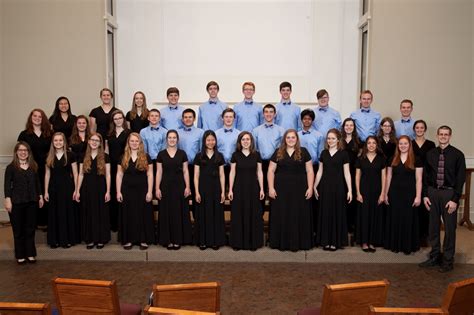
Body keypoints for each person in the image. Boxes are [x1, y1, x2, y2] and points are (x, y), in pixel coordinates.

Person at [419, 126, 466, 273]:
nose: (443, 136)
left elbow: (460, 179)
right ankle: (434, 256)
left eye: (446, 134)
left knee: (450, 229)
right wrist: (426, 195)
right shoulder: (430, 154)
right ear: (437, 135)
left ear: (450, 136)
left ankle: (447, 260)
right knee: (433, 227)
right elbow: (425, 177)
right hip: (433, 192)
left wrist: (455, 199)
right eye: (441, 134)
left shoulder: (458, 155)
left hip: (449, 194)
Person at [268, 129, 314, 251]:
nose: (290, 140)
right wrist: (271, 188)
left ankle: (299, 243)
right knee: (283, 213)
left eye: (293, 137)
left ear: (297, 139)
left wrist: (310, 187)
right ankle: (282, 242)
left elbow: (309, 170)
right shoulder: (278, 152)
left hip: (300, 189)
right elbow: (271, 171)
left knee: (298, 214)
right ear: (284, 139)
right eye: (288, 137)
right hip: (281, 189)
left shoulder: (304, 152)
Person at [4, 142, 44, 264]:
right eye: (20, 150)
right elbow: (7, 186)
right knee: (18, 230)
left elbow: (37, 183)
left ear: (28, 152)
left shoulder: (33, 166)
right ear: (16, 152)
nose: (23, 152)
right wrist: (8, 200)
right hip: (16, 202)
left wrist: (40, 197)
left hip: (32, 201)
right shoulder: (11, 167)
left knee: (30, 229)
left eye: (25, 150)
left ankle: (30, 254)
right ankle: (20, 255)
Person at [314, 128, 352, 250]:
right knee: (325, 212)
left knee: (337, 212)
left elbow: (347, 173)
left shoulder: (343, 154)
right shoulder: (324, 153)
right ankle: (325, 241)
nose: (330, 140)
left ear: (338, 140)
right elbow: (320, 171)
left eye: (333, 138)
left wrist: (350, 190)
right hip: (325, 187)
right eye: (329, 138)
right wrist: (315, 186)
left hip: (339, 187)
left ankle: (335, 241)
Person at [384, 135, 422, 255]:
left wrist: (418, 196)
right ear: (398, 146)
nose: (403, 146)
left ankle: (407, 246)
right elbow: (388, 177)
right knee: (395, 218)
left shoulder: (417, 159)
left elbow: (419, 179)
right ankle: (395, 245)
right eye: (401, 144)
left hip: (410, 193)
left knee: (408, 219)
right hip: (394, 193)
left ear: (409, 145)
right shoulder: (392, 159)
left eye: (405, 143)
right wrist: (385, 193)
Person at [116, 133, 155, 250]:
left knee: (142, 214)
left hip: (142, 190)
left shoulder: (146, 157)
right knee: (128, 214)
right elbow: (119, 175)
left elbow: (150, 174)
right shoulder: (123, 157)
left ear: (140, 143)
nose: (134, 143)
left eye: (136, 141)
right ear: (128, 143)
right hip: (127, 190)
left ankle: (143, 240)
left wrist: (149, 191)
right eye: (132, 141)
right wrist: (118, 192)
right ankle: (128, 240)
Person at [228, 131, 265, 250]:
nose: (245, 142)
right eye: (243, 139)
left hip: (253, 188)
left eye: (248, 139)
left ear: (251, 141)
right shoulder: (235, 155)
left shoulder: (256, 155)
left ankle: (252, 243)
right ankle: (238, 243)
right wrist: (230, 190)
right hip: (238, 187)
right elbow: (232, 172)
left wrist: (262, 189)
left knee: (253, 214)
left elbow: (259, 172)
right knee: (238, 214)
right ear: (239, 142)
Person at [155, 130, 192, 249]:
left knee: (178, 212)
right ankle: (167, 240)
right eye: (170, 137)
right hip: (165, 186)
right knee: (166, 212)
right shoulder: (161, 154)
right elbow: (159, 172)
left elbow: (186, 171)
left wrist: (188, 187)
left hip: (179, 186)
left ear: (177, 140)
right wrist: (157, 188)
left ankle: (178, 239)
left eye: (174, 137)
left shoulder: (182, 153)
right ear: (166, 139)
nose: (172, 139)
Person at [75, 133, 111, 249]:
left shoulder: (105, 156)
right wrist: (77, 190)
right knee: (88, 213)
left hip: (101, 188)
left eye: (97, 140)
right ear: (89, 141)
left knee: (100, 214)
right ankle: (90, 239)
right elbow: (80, 174)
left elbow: (108, 175)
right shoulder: (83, 156)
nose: (94, 142)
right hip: (87, 188)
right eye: (92, 140)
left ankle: (100, 239)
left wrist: (108, 191)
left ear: (100, 143)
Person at [18, 108, 52, 228]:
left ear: (43, 119)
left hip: (47, 168)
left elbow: (54, 149)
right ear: (31, 118)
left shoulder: (49, 133)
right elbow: (20, 151)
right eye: (35, 116)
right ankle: (35, 222)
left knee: (46, 192)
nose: (37, 118)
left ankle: (46, 222)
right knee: (33, 193)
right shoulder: (24, 134)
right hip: (30, 168)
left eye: (40, 116)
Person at [44, 132, 79, 248]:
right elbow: (47, 174)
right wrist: (45, 191)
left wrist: (76, 190)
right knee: (54, 214)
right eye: (56, 140)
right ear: (52, 142)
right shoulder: (48, 156)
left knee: (66, 213)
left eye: (60, 140)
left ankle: (66, 240)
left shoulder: (70, 155)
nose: (58, 142)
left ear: (64, 142)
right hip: (53, 188)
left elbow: (75, 173)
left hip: (67, 188)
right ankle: (55, 240)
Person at [193, 130, 226, 250]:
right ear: (204, 141)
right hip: (202, 188)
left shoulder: (220, 156)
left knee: (216, 214)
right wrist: (196, 191)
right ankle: (203, 241)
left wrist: (223, 192)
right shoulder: (199, 156)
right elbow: (196, 175)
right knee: (203, 214)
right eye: (208, 140)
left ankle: (215, 241)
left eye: (212, 140)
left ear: (215, 141)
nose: (210, 142)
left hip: (216, 188)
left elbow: (222, 175)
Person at [355, 136, 386, 252]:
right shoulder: (360, 158)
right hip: (363, 191)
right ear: (366, 145)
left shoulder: (381, 159)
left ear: (377, 145)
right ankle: (364, 242)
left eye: (374, 143)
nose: (371, 145)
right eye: (369, 143)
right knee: (364, 216)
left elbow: (384, 177)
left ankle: (372, 242)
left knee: (375, 216)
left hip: (377, 191)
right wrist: (358, 192)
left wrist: (383, 193)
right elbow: (357, 176)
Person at [106, 110, 131, 232]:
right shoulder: (109, 134)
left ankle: (124, 223)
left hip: (124, 166)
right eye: (115, 119)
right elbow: (106, 151)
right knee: (113, 192)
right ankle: (113, 223)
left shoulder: (128, 133)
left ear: (123, 119)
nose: (118, 120)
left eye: (120, 118)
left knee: (123, 193)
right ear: (113, 121)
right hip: (111, 166)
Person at [411, 119, 436, 247]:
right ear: (414, 129)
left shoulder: (431, 144)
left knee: (426, 208)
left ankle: (425, 237)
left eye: (422, 128)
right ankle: (414, 235)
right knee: (414, 207)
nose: (419, 130)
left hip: (427, 178)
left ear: (425, 129)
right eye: (417, 128)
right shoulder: (410, 143)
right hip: (412, 178)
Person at [252, 104, 285, 198]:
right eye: (266, 112)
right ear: (263, 114)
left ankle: (274, 212)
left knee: (275, 189)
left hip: (276, 164)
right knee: (260, 189)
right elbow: (254, 148)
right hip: (261, 163)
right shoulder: (256, 131)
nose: (268, 114)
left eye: (271, 112)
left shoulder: (281, 130)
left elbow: (282, 148)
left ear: (275, 114)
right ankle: (260, 212)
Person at [177, 109, 204, 213]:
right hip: (180, 168)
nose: (188, 119)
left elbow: (202, 150)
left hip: (195, 167)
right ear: (182, 119)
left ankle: (197, 218)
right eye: (185, 117)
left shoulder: (200, 132)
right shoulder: (177, 132)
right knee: (182, 193)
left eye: (190, 117)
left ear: (194, 118)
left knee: (196, 193)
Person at [341, 118, 360, 234]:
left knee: (351, 199)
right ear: (343, 127)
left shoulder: (358, 142)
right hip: (341, 173)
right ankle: (342, 224)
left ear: (354, 127)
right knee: (342, 198)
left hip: (353, 172)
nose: (349, 127)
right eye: (346, 125)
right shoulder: (340, 141)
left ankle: (351, 225)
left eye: (351, 125)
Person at [215, 108, 240, 186]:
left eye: (230, 117)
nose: (228, 119)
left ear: (234, 118)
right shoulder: (216, 134)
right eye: (226, 117)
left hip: (235, 167)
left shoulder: (239, 134)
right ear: (222, 118)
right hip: (219, 167)